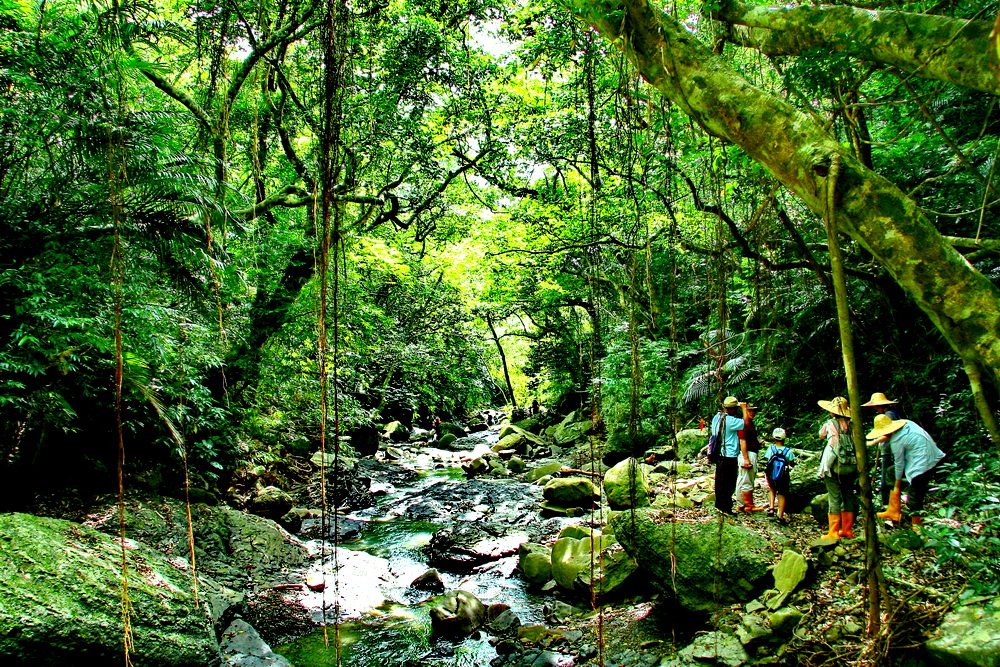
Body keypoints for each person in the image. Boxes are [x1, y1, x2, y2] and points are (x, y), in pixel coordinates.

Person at [867, 414, 945, 530]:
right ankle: (893, 509)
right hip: (930, 456)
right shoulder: (907, 423)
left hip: (922, 464)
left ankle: (918, 529)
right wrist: (874, 442)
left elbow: (899, 464)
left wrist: (897, 486)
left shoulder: (896, 442)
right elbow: (891, 435)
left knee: (914, 498)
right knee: (890, 472)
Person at [817, 396, 858, 539]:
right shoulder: (852, 425)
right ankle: (847, 529)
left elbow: (823, 438)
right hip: (851, 466)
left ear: (832, 412)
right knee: (848, 495)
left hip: (835, 466)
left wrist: (825, 467)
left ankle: (833, 532)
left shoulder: (831, 424)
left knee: (834, 497)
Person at [711, 396, 752, 516]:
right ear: (734, 409)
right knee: (729, 483)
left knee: (720, 481)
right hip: (729, 455)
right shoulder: (731, 421)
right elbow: (746, 423)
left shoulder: (717, 418)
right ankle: (726, 507)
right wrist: (744, 409)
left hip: (719, 454)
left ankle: (719, 504)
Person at [861, 392, 903, 506]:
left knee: (887, 482)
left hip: (891, 453)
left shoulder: (889, 415)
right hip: (889, 452)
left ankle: (889, 506)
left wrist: (873, 442)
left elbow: (889, 434)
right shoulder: (892, 414)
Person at [736, 404, 766, 512]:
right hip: (748, 453)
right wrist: (746, 458)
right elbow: (742, 441)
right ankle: (749, 505)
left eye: (754, 411)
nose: (752, 413)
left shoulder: (749, 424)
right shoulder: (744, 423)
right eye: (749, 411)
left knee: (742, 479)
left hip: (748, 452)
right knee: (748, 479)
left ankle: (741, 504)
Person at [764, 427, 795, 523]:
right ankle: (780, 515)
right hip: (783, 476)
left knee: (772, 489)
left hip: (771, 474)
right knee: (782, 493)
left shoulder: (771, 448)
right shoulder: (788, 451)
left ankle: (771, 507)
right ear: (784, 438)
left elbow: (767, 459)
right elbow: (792, 463)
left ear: (773, 438)